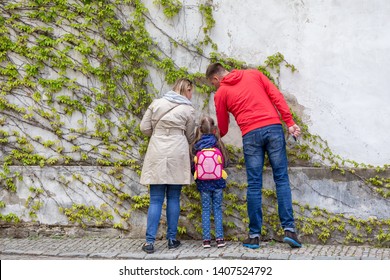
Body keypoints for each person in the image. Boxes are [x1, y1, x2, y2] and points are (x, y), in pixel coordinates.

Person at [205, 63, 302, 249]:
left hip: (250, 135)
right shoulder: (255, 74)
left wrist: (210, 139)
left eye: (212, 83)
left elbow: (223, 128)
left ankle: (254, 235)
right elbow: (276, 97)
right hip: (273, 128)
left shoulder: (221, 93)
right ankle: (289, 231)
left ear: (216, 78)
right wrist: (289, 122)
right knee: (281, 179)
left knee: (255, 184)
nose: (215, 86)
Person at [139, 78, 196, 254]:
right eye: (191, 91)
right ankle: (172, 239)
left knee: (155, 198)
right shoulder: (188, 108)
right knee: (173, 197)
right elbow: (191, 134)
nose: (191, 94)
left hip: (157, 149)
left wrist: (158, 133)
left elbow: (143, 128)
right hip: (177, 151)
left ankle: (149, 242)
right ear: (186, 90)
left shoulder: (156, 104)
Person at [191, 116, 228, 248]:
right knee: (217, 209)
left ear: (200, 130)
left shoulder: (197, 145)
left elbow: (193, 166)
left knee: (206, 209)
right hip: (218, 183)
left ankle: (206, 240)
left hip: (203, 184)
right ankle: (220, 239)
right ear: (214, 130)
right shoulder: (217, 143)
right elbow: (225, 163)